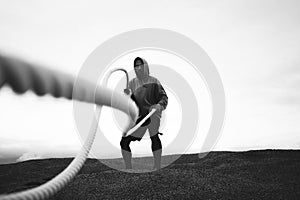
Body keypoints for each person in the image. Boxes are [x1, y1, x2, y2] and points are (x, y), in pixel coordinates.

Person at [120, 57, 168, 170]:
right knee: (124, 141)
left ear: (146, 67)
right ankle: (128, 169)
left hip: (152, 114)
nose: (138, 68)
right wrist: (127, 96)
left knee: (154, 136)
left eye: (141, 65)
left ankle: (157, 167)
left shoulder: (154, 81)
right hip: (140, 117)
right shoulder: (132, 83)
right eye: (136, 66)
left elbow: (164, 97)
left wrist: (159, 106)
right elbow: (131, 102)